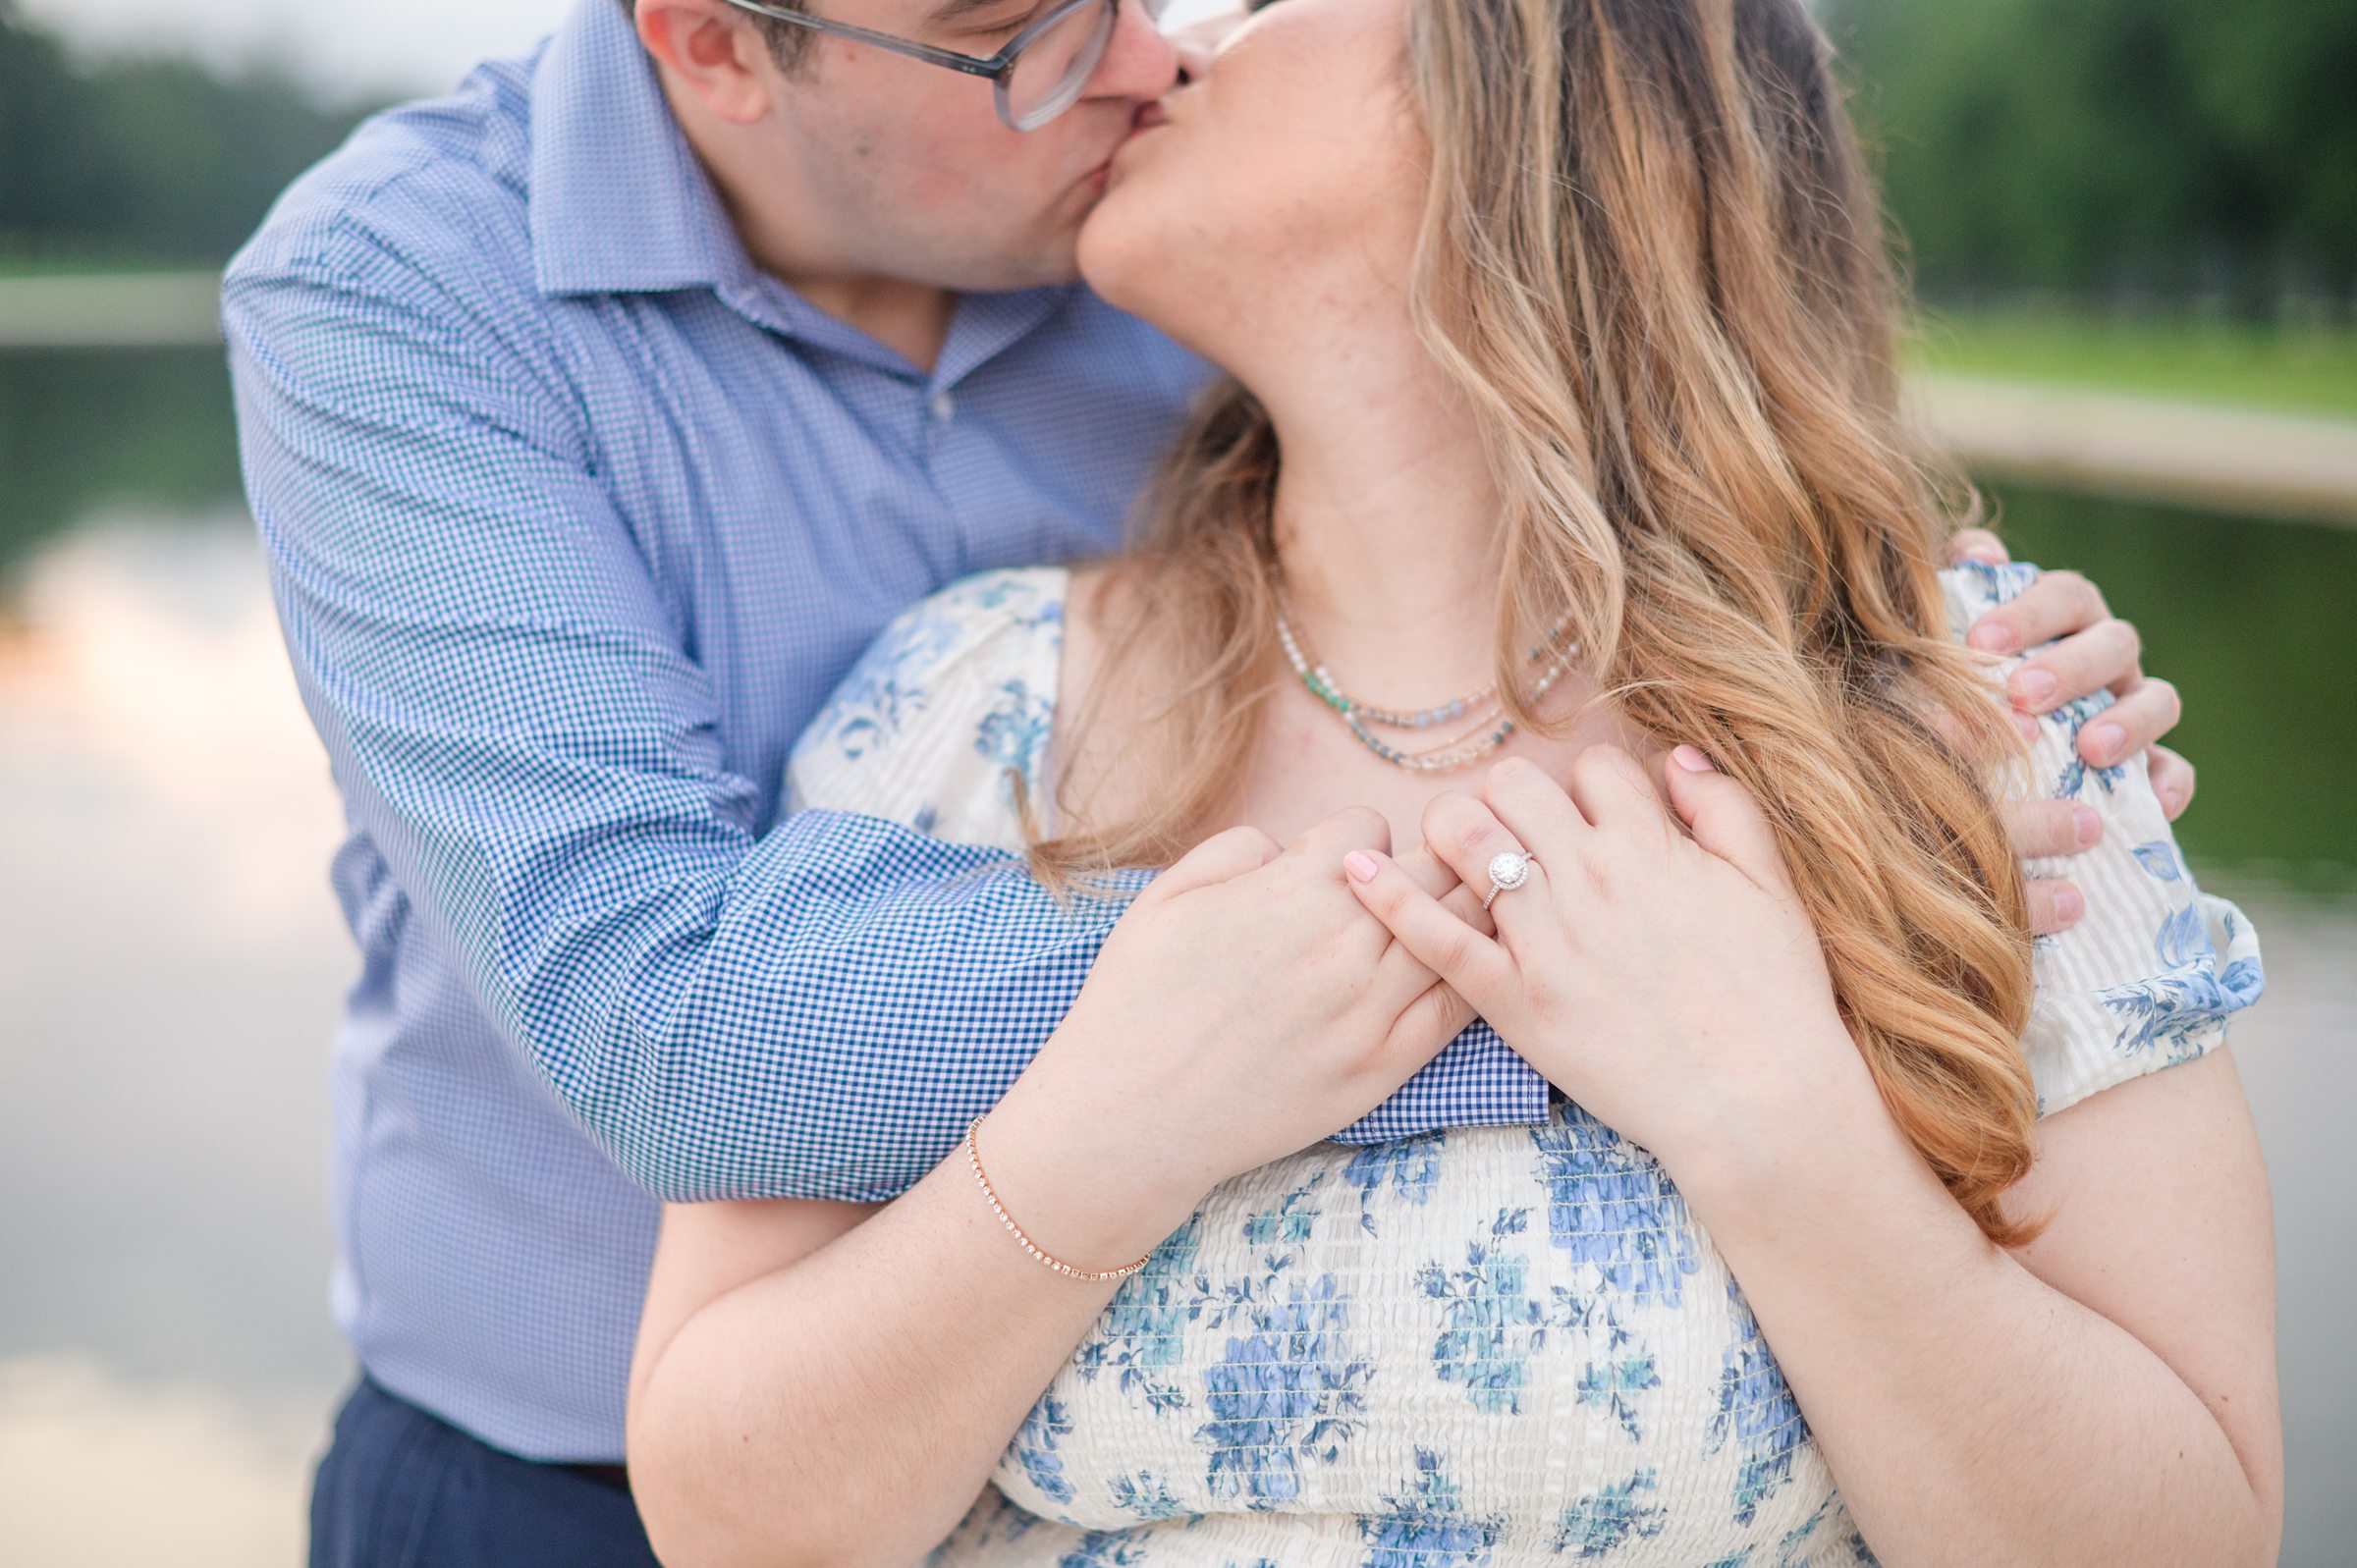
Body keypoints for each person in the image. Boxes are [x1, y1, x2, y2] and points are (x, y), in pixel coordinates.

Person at [217, 0, 2200, 1561]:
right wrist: (1647, 971)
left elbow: (1590, 420)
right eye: (1025, 26)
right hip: (543, 1471)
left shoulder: (1181, 246)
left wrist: (1883, 672)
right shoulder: (400, 299)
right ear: (714, 43)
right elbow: (668, 1025)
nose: (1149, 55)